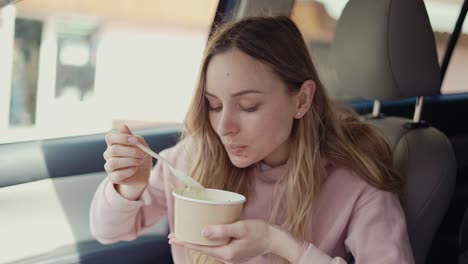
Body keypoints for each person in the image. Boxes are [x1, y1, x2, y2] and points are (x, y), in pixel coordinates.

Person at [90, 16, 414, 264]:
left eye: (248, 106)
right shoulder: (194, 158)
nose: (224, 126)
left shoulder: (357, 185)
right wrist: (129, 187)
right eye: (214, 105)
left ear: (301, 101)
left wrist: (280, 243)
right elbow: (107, 231)